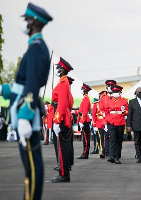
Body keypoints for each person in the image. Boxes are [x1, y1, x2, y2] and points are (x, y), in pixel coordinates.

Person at [0, 2, 52, 199]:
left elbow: (31, 86)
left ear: (35, 23)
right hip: (25, 109)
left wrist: (24, 115)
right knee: (31, 164)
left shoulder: (37, 48)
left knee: (32, 165)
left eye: (27, 20)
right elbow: (22, 85)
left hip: (26, 112)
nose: (25, 23)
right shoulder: (35, 47)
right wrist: (4, 90)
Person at [51, 57, 74, 183]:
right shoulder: (62, 82)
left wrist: (57, 120)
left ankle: (64, 174)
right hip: (62, 116)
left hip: (61, 118)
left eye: (58, 68)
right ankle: (63, 172)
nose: (56, 70)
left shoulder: (64, 83)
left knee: (61, 148)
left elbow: (62, 103)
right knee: (62, 147)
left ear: (62, 70)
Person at [106, 85, 128, 164]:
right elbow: (107, 112)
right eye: (114, 92)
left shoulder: (124, 101)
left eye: (117, 92)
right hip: (111, 121)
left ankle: (117, 156)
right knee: (112, 139)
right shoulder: (109, 101)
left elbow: (127, 112)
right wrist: (107, 121)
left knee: (119, 139)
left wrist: (123, 111)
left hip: (120, 121)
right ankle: (112, 156)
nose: (115, 93)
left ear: (119, 92)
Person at [99, 80, 117, 159]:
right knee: (106, 136)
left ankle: (114, 153)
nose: (109, 88)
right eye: (108, 86)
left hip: (115, 120)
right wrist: (105, 121)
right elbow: (101, 109)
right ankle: (107, 153)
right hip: (106, 119)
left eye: (111, 86)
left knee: (113, 137)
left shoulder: (115, 97)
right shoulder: (103, 98)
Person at [75, 83, 92, 159]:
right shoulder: (85, 98)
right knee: (85, 138)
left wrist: (82, 121)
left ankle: (85, 153)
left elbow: (84, 112)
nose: (81, 90)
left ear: (85, 90)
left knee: (85, 138)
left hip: (84, 120)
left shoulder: (86, 99)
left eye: (82, 89)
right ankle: (85, 153)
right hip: (83, 119)